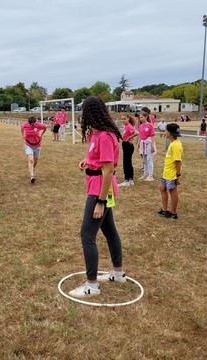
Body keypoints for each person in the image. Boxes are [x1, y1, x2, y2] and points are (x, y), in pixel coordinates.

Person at [69, 96, 126, 299]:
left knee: (87, 235)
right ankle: (118, 273)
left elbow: (109, 170)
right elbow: (100, 160)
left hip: (100, 190)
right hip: (95, 186)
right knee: (109, 230)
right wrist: (88, 161)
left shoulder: (104, 136)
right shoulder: (96, 134)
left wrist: (101, 201)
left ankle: (91, 285)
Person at [158, 123, 183, 219]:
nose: (164, 132)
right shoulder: (173, 143)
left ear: (170, 133)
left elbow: (178, 162)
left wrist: (178, 176)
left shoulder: (176, 146)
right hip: (166, 172)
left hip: (172, 174)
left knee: (173, 191)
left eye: (165, 131)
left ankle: (173, 213)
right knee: (162, 188)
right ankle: (164, 210)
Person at [21, 116, 47, 183]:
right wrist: (23, 135)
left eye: (33, 124)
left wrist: (41, 135)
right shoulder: (25, 125)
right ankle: (32, 176)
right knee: (31, 160)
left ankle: (33, 169)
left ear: (35, 122)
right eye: (31, 124)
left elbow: (45, 127)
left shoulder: (39, 125)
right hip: (28, 145)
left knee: (35, 161)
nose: (32, 125)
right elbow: (22, 127)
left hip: (37, 145)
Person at [118, 114, 138, 187]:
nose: (123, 120)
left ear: (128, 119)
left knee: (126, 163)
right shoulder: (126, 126)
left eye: (124, 119)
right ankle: (130, 179)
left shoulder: (129, 126)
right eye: (122, 119)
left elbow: (136, 133)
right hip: (126, 145)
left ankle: (127, 180)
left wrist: (129, 137)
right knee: (128, 162)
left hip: (128, 145)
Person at [138, 111, 157, 181]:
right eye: (140, 117)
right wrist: (138, 144)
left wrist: (152, 145)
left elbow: (152, 136)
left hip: (148, 143)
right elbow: (140, 136)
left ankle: (150, 175)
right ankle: (145, 173)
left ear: (146, 117)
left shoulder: (150, 125)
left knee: (149, 159)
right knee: (144, 160)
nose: (140, 119)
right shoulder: (140, 126)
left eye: (142, 117)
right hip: (142, 143)